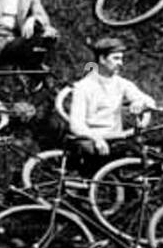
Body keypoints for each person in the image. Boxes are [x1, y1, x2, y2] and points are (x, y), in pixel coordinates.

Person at [67, 36, 157, 168]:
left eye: (121, 58)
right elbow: (76, 125)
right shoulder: (83, 87)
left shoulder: (122, 83)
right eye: (115, 58)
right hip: (92, 142)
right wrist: (96, 138)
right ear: (102, 59)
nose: (120, 63)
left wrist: (139, 102)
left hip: (117, 141)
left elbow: (149, 101)